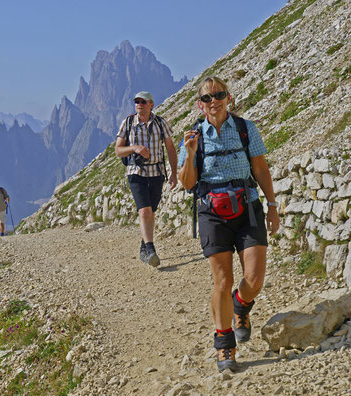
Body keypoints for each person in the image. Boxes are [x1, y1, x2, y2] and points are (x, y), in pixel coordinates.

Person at [178, 76, 280, 372]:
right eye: (207, 97)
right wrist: (191, 155)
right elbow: (187, 184)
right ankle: (225, 346)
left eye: (219, 94)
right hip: (212, 213)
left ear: (229, 97)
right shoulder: (193, 137)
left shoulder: (246, 129)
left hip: (248, 207)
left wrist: (272, 206)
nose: (214, 101)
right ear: (200, 104)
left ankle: (241, 306)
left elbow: (260, 168)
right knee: (222, 280)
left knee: (255, 279)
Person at [115, 91, 178, 267]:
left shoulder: (160, 123)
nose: (139, 104)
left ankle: (144, 246)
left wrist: (174, 172)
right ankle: (150, 250)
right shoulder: (127, 123)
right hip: (136, 172)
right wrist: (134, 148)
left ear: (151, 104)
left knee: (152, 211)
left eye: (143, 102)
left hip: (157, 173)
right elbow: (118, 150)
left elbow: (171, 149)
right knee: (144, 211)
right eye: (136, 101)